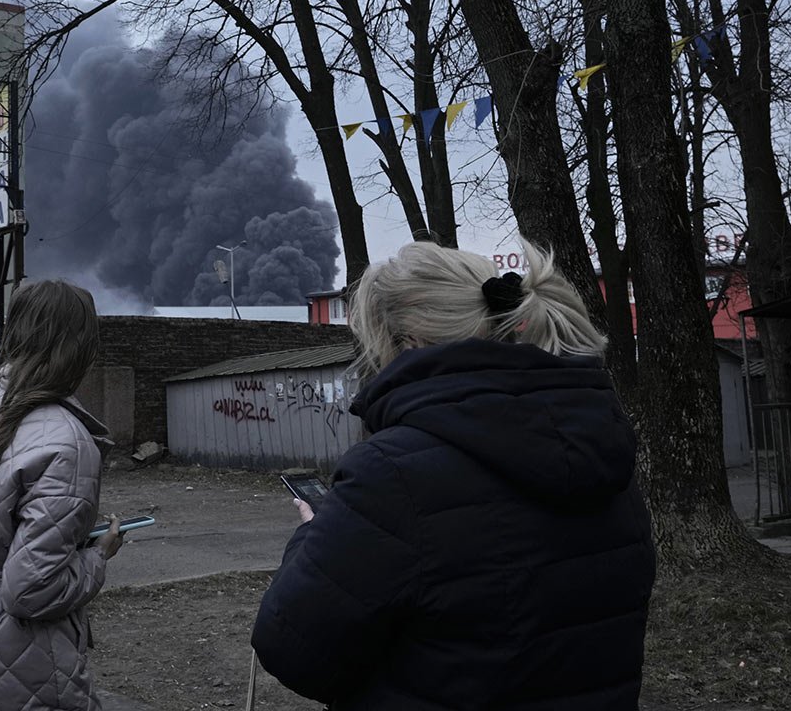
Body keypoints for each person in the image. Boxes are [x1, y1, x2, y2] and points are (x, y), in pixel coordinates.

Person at [251, 240, 655, 711]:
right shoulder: (603, 448)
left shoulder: (391, 474)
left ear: (409, 343)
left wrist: (310, 537)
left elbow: (293, 649)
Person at [0, 280, 126, 711]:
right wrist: (97, 555)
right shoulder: (69, 441)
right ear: (80, 349)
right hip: (27, 657)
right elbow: (29, 592)